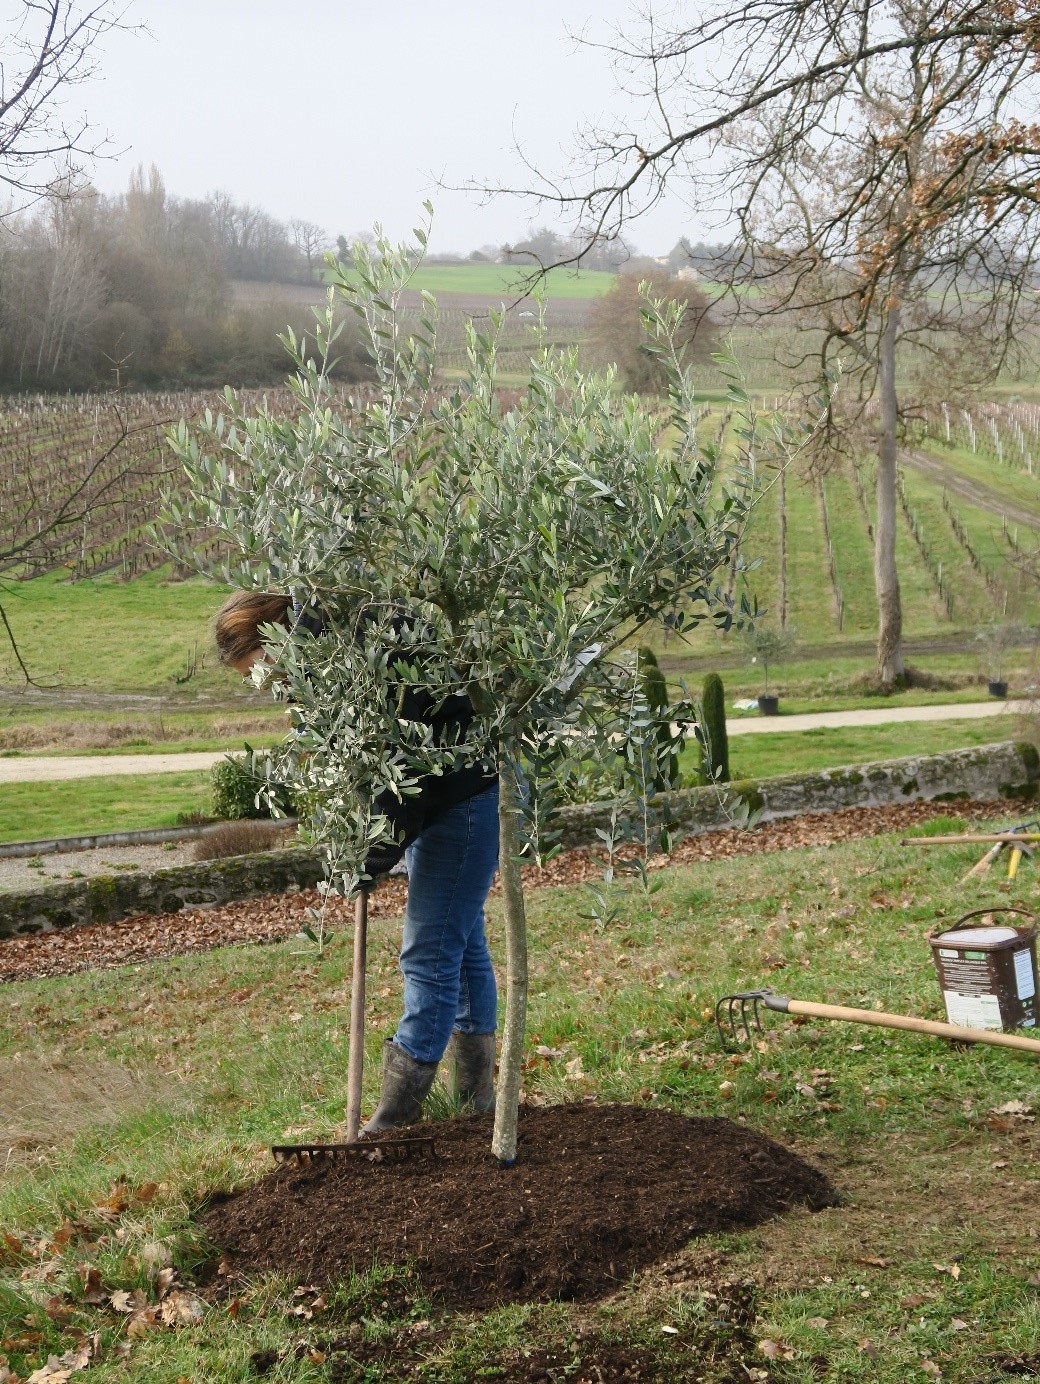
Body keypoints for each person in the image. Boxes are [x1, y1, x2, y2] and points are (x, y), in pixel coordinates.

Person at [213, 590, 500, 1134]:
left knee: (430, 955)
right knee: (462, 946)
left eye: (261, 670)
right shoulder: (333, 656)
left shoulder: (371, 643)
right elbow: (369, 762)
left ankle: (394, 1120)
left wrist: (373, 850)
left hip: (459, 799)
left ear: (275, 638)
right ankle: (475, 1105)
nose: (266, 686)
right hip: (439, 800)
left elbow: (403, 759)